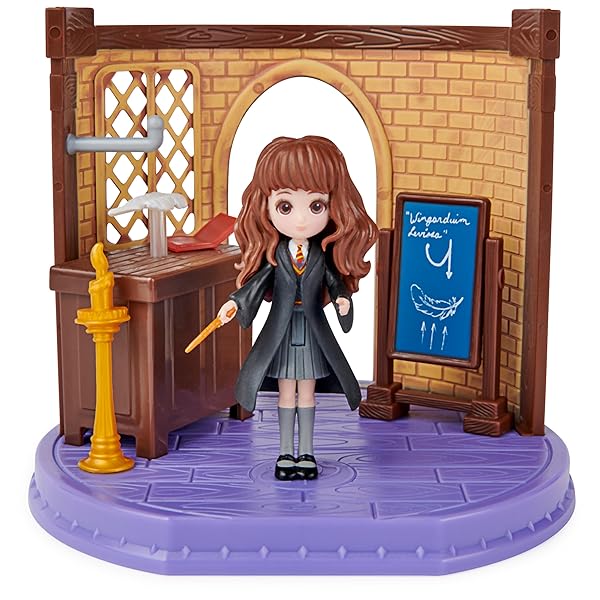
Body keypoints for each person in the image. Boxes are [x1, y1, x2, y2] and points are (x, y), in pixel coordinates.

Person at [217, 135, 378, 480]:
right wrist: (235, 303)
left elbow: (335, 282)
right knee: (285, 393)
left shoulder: (321, 254)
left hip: (313, 330)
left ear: (333, 206)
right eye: (286, 207)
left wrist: (342, 299)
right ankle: (283, 453)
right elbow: (256, 284)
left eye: (316, 206)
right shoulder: (276, 255)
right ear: (266, 205)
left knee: (307, 393)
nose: (301, 220)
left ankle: (306, 452)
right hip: (282, 331)